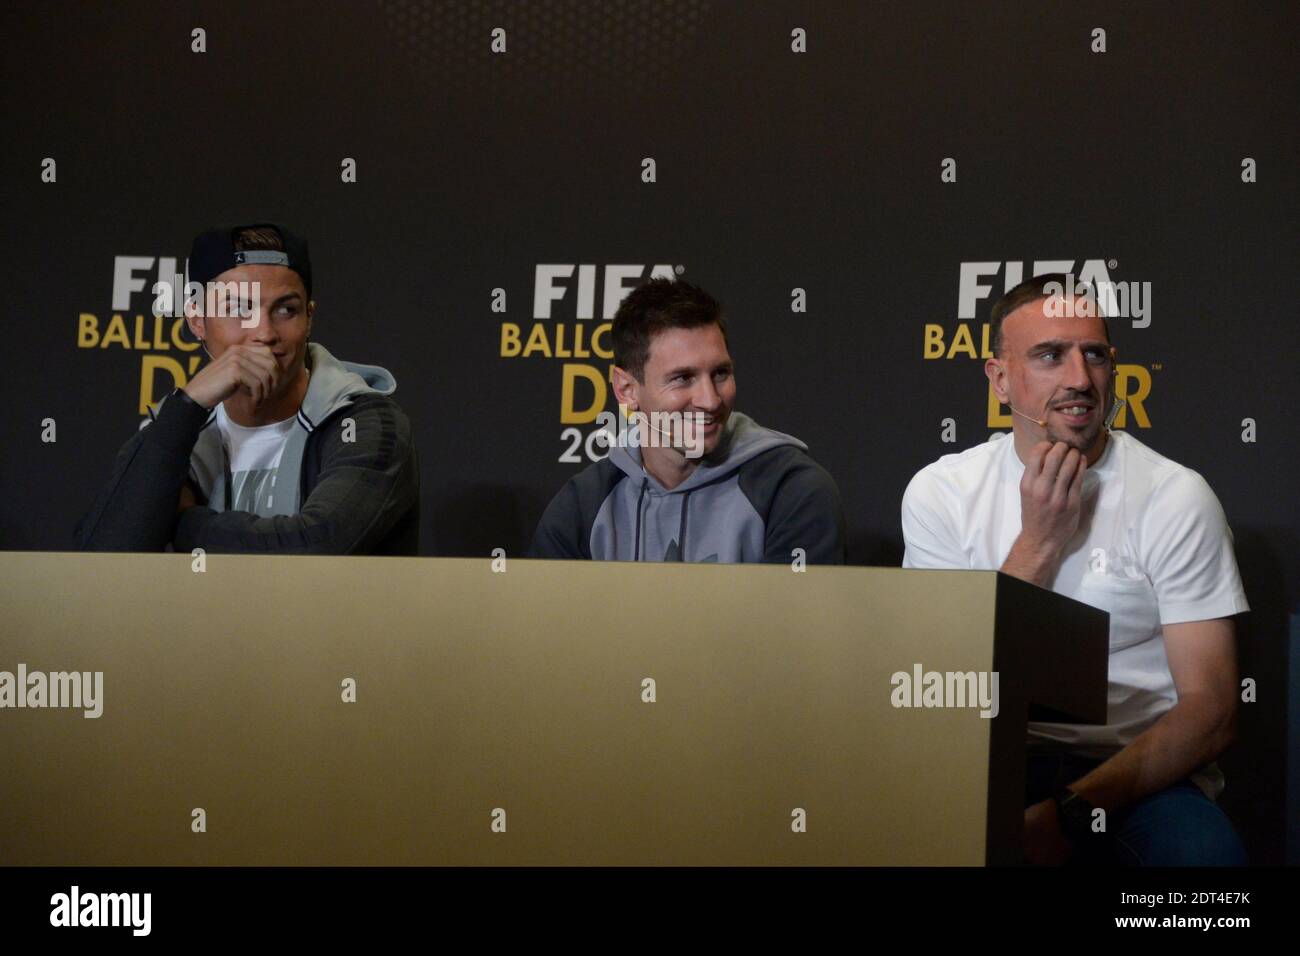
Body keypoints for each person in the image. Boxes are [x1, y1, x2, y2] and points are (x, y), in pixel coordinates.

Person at [901, 273, 1249, 865]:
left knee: (1205, 873)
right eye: (1050, 356)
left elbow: (1211, 713)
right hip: (984, 764)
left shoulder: (1175, 496)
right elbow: (945, 686)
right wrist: (1037, 543)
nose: (1079, 380)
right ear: (1000, 378)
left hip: (1138, 772)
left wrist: (1073, 812)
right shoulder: (941, 492)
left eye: (1095, 355)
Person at [75, 223, 419, 555]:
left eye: (286, 310)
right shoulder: (173, 428)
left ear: (309, 319)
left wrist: (179, 523)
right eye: (238, 308)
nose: (265, 333)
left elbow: (315, 548)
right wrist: (188, 405)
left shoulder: (366, 423)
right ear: (197, 320)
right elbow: (102, 559)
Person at [530, 278, 845, 564]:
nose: (710, 400)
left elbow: (793, 626)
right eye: (683, 378)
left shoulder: (792, 491)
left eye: (720, 373)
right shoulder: (582, 507)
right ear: (626, 390)